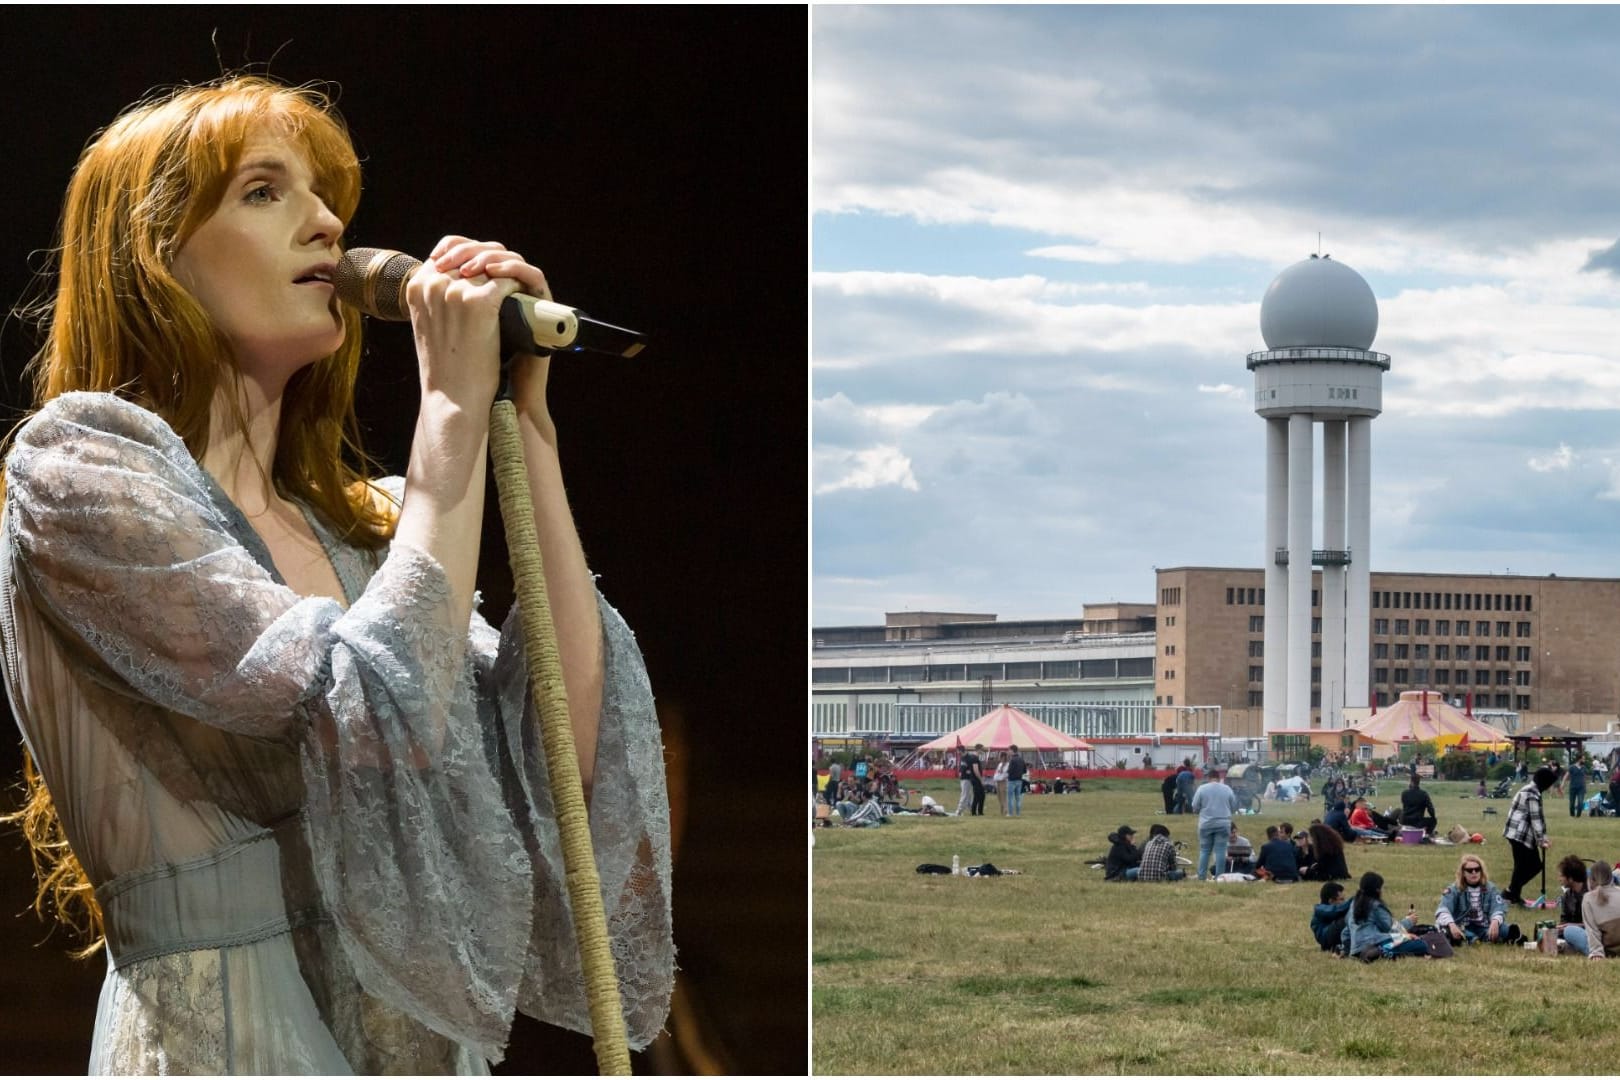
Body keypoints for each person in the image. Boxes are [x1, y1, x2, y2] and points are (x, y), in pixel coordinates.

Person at [0, 77, 673, 1072]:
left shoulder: (380, 525)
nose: (325, 224)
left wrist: (521, 424)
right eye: (265, 191)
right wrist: (449, 407)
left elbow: (568, 759)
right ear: (153, 256)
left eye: (328, 200)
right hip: (229, 1039)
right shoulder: (79, 469)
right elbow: (372, 702)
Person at [1503, 766, 1559, 906]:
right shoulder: (1531, 794)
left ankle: (1513, 894)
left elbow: (1538, 818)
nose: (1548, 788)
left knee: (1521, 866)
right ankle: (1510, 892)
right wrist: (1542, 840)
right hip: (1520, 834)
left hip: (1516, 833)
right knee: (1533, 866)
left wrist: (1542, 838)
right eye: (1548, 784)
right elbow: (1536, 819)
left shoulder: (1530, 790)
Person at [1435, 855, 1520, 945]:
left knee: (1505, 929)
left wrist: (1495, 921)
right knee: (1452, 931)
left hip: (1484, 926)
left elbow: (1498, 907)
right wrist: (1451, 925)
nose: (1474, 872)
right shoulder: (1454, 890)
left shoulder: (1491, 888)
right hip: (1462, 926)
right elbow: (1443, 910)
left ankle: (1488, 937)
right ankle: (1473, 939)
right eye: (1469, 870)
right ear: (1463, 873)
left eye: (1477, 869)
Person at [1346, 872, 1428, 960]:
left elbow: (1346, 931)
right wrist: (1409, 922)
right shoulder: (1375, 905)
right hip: (1375, 943)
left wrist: (1347, 948)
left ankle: (1375, 953)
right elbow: (1390, 928)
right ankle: (1380, 952)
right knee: (1421, 945)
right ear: (1377, 890)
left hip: (1355, 949)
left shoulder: (1353, 904)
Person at [1190, 766, 1240, 880]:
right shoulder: (1227, 789)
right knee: (1221, 851)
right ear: (1219, 778)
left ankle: (1201, 876)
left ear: (1208, 778)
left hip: (1206, 823)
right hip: (1223, 823)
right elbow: (1234, 806)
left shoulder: (1202, 789)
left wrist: (1200, 810)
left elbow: (1194, 806)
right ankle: (1220, 877)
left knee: (1205, 850)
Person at [1551, 854, 1591, 955]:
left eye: (1561, 876)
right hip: (1574, 934)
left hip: (1592, 934)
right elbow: (1564, 921)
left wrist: (1571, 926)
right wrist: (1557, 929)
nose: (1559, 879)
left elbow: (1596, 925)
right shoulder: (1566, 897)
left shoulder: (1591, 894)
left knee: (1569, 931)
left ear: (1571, 878)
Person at [1580, 861, 1620, 959]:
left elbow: (1592, 930)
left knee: (1570, 931)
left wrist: (1597, 954)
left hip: (1606, 950)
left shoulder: (1588, 899)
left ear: (1591, 879)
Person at [1311, 882, 1352, 953]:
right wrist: (1351, 901)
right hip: (1326, 940)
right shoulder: (1320, 909)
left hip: (1332, 938)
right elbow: (1335, 910)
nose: (1344, 902)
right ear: (1331, 901)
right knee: (1343, 922)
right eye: (1341, 899)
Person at [1006, 745, 1028, 817]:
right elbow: (1025, 771)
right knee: (1018, 798)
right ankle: (1018, 814)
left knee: (1010, 798)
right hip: (1019, 780)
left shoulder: (1012, 760)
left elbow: (1009, 770)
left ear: (1012, 750)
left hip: (1011, 780)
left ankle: (1010, 813)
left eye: (1009, 750)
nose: (1008, 752)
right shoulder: (1021, 759)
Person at [956, 746, 976, 816]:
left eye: (958, 751)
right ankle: (972, 809)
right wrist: (960, 772)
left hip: (967, 779)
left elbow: (972, 768)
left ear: (961, 750)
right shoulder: (962, 758)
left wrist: (969, 772)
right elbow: (962, 767)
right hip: (962, 778)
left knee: (964, 795)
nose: (957, 752)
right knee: (968, 795)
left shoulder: (969, 758)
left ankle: (959, 810)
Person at [968, 743, 988, 815]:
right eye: (982, 749)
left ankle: (980, 811)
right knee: (977, 796)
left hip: (975, 779)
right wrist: (981, 779)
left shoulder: (973, 757)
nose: (983, 751)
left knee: (982, 795)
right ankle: (974, 812)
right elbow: (976, 770)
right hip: (976, 779)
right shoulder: (974, 758)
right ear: (978, 749)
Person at [990, 751, 1009, 816]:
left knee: (1004, 796)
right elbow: (997, 772)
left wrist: (1001, 770)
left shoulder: (1008, 764)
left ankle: (1006, 810)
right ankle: (1002, 808)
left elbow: (1005, 773)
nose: (999, 757)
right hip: (998, 781)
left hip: (1003, 781)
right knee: (999, 796)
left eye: (1000, 756)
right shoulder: (1000, 764)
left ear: (1003, 757)